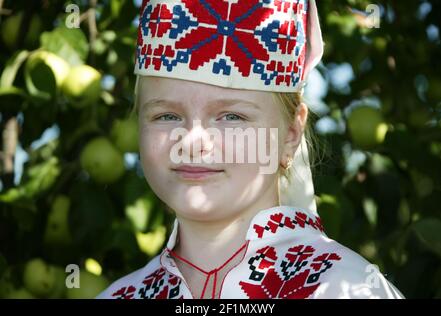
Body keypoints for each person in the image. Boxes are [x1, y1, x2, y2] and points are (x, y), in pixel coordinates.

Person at [97, 0, 404, 299]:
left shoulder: (348, 289)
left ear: (291, 134)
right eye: (166, 116)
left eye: (232, 117)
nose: (191, 142)